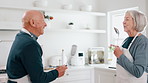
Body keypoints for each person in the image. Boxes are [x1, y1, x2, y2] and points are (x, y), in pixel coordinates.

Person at [6, 10, 68, 83]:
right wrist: (57, 72)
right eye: (42, 21)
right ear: (33, 23)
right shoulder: (30, 44)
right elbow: (39, 79)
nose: (45, 24)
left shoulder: (20, 36)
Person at [111, 10, 148, 83]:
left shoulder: (142, 42)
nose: (123, 22)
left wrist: (120, 55)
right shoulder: (126, 40)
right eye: (124, 19)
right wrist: (117, 51)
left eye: (127, 19)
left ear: (136, 22)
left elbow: (138, 72)